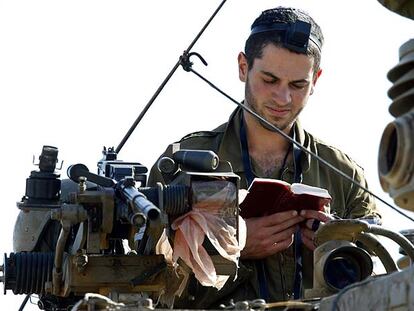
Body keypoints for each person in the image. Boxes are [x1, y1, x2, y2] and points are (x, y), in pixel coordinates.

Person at [148, 6, 380, 308]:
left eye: (298, 85)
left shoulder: (343, 177)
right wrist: (233, 248)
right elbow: (149, 282)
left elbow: (378, 281)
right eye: (269, 80)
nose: (283, 99)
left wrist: (335, 247)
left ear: (316, 79)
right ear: (243, 67)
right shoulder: (181, 165)